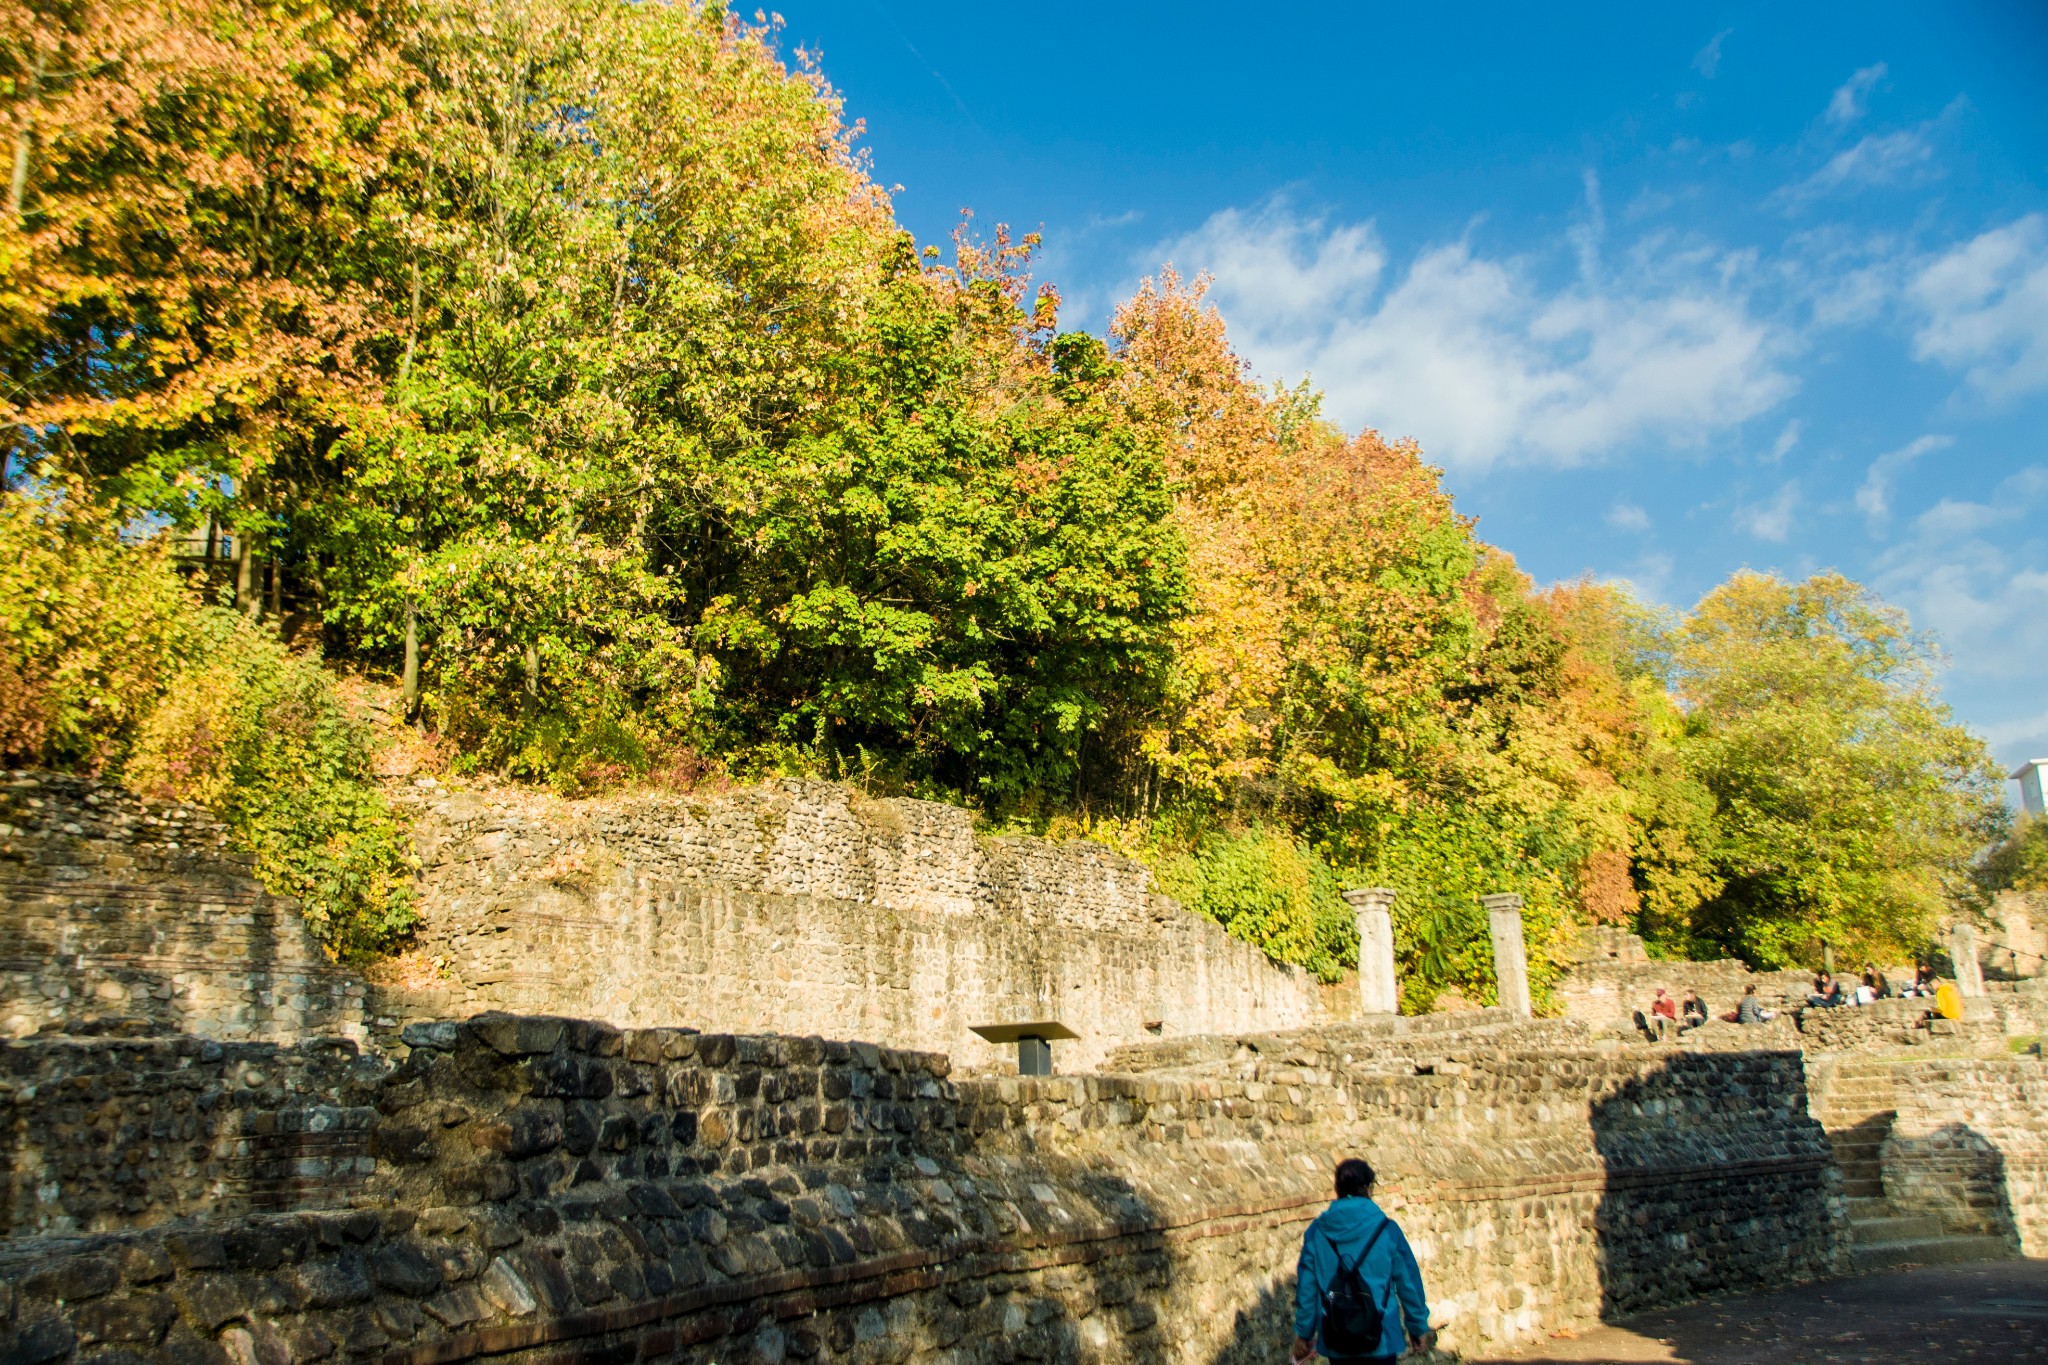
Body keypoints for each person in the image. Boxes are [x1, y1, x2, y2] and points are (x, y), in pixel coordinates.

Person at [1293, 1158, 1432, 1364]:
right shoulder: (1387, 1230)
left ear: (1337, 1188)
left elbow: (1306, 1290)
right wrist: (1417, 1326)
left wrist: (1303, 1334)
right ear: (1368, 1189)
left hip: (1337, 1338)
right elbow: (1408, 1281)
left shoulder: (1316, 1233)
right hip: (1381, 1337)